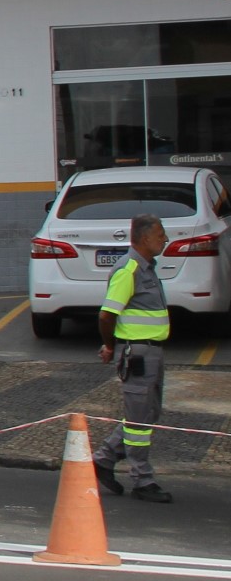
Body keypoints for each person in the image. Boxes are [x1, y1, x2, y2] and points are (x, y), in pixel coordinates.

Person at [95, 213, 174, 504]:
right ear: (143, 238)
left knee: (146, 414)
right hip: (138, 353)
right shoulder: (128, 270)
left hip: (151, 351)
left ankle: (103, 460)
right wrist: (109, 345)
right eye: (160, 234)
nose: (165, 239)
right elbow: (106, 314)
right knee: (139, 422)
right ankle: (142, 479)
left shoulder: (147, 269)